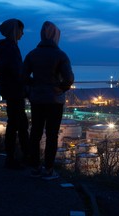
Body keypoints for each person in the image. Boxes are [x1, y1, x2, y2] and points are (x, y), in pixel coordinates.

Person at [23, 21, 74, 180]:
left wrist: (34, 86)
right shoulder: (60, 55)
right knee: (52, 134)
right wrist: (61, 87)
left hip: (37, 99)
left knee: (35, 133)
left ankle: (35, 167)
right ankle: (49, 169)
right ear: (56, 36)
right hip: (54, 100)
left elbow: (22, 76)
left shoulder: (32, 54)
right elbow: (69, 78)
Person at [0, 18, 29, 169]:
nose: (22, 33)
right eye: (21, 30)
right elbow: (17, 72)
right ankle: (18, 158)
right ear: (15, 31)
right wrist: (29, 83)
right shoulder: (11, 49)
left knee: (17, 124)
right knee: (17, 124)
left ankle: (16, 157)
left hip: (10, 91)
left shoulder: (5, 48)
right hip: (15, 92)